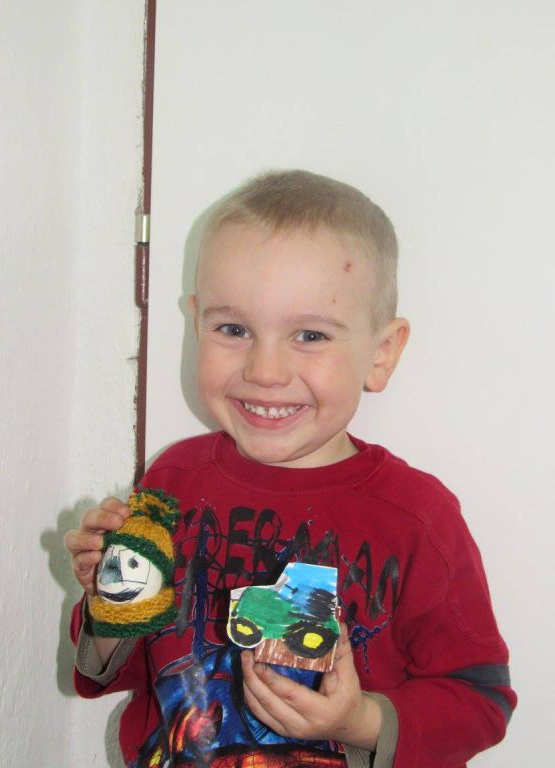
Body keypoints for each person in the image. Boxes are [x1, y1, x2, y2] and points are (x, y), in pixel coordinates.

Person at [65, 170, 516, 768]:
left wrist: (360, 721)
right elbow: (110, 669)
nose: (265, 370)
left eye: (309, 334)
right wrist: (111, 597)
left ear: (380, 354)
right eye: (233, 329)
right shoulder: (173, 480)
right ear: (196, 323)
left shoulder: (417, 516)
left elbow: (481, 701)